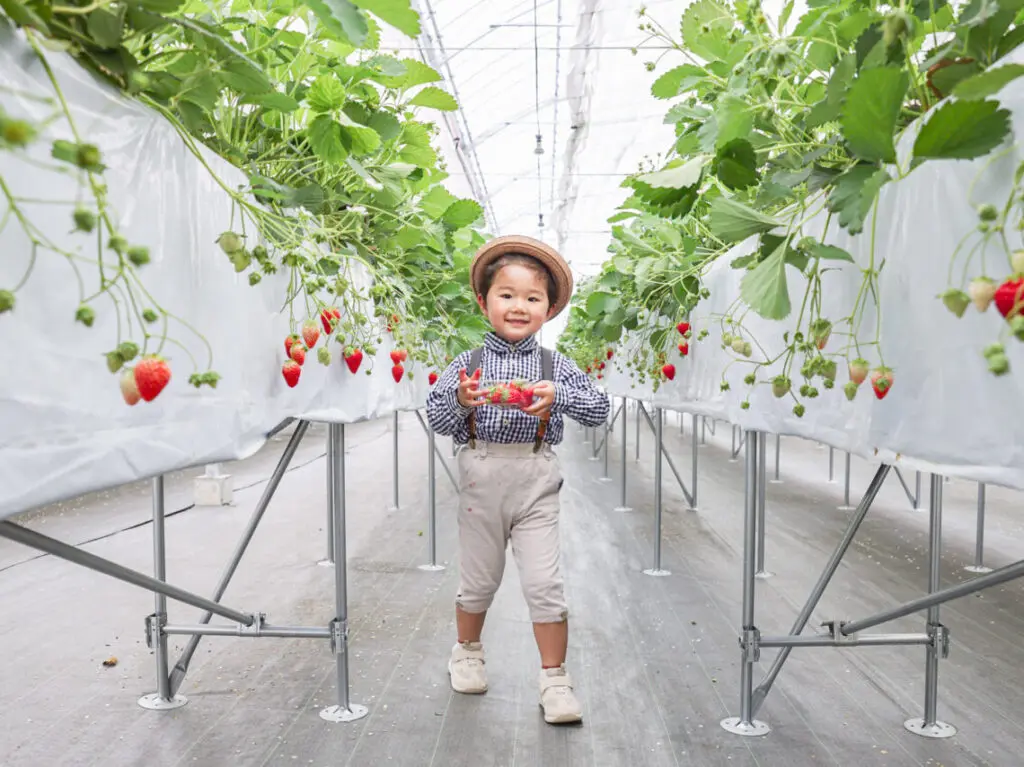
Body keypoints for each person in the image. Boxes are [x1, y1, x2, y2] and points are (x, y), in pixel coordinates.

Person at [425, 234, 610, 725]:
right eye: (506, 295)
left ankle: (555, 680)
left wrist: (559, 399)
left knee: (545, 582)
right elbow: (437, 420)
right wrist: (463, 401)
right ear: (484, 302)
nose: (519, 306)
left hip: (536, 475)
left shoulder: (557, 367)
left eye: (533, 298)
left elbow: (599, 410)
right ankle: (466, 651)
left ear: (549, 310)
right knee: (479, 579)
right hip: (481, 473)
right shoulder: (466, 367)